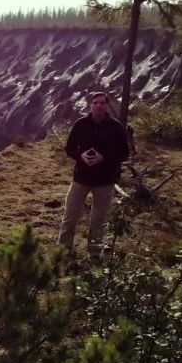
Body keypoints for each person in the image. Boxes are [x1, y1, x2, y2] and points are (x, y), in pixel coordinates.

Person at [57, 92, 129, 258]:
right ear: (90, 105)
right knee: (69, 216)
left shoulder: (116, 127)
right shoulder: (80, 124)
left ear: (107, 105)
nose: (98, 106)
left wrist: (104, 157)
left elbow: (124, 153)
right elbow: (70, 148)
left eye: (102, 103)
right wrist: (80, 155)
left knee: (98, 220)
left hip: (105, 180)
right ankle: (62, 251)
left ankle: (94, 254)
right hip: (81, 177)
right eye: (95, 103)